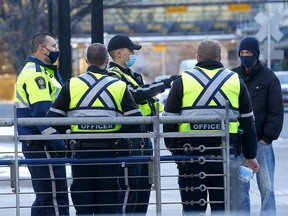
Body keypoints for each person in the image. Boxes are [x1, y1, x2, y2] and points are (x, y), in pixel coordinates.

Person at [163, 40, 260, 214]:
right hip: (226, 155)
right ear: (220, 57)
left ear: (197, 58)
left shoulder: (182, 81)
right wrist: (251, 155)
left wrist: (177, 153)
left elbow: (169, 123)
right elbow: (248, 122)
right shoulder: (235, 80)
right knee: (222, 209)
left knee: (193, 210)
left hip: (190, 156)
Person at [47, 43, 143, 215]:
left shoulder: (71, 85)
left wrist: (69, 132)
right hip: (111, 155)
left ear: (86, 61)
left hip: (81, 155)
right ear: (107, 61)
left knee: (83, 205)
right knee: (108, 206)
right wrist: (118, 132)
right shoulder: (118, 86)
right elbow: (136, 121)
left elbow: (53, 118)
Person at [107, 34, 178, 214]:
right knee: (131, 190)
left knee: (143, 189)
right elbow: (136, 94)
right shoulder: (114, 75)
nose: (133, 54)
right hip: (130, 141)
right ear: (118, 53)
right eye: (130, 51)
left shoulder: (131, 75)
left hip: (143, 139)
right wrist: (166, 83)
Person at [14, 32, 69, 216]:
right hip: (43, 144)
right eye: (53, 46)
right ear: (42, 48)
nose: (57, 50)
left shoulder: (44, 72)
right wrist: (59, 143)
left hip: (41, 143)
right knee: (54, 197)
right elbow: (42, 115)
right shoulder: (37, 75)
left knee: (47, 197)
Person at [232, 36, 284, 216]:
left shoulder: (269, 77)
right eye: (242, 53)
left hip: (261, 143)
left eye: (248, 53)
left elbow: (276, 111)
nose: (245, 56)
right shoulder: (232, 76)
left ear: (256, 54)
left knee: (267, 188)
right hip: (238, 143)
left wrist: (266, 138)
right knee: (240, 191)